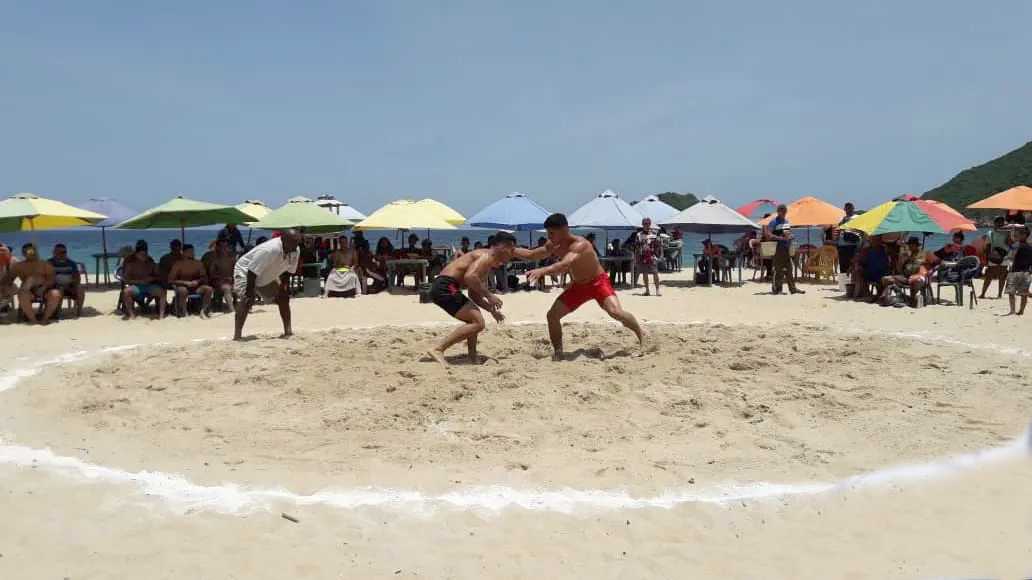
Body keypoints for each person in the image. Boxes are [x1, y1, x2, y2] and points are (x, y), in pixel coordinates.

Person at [516, 213, 648, 360]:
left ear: (564, 229)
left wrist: (542, 270)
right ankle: (558, 352)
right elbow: (532, 254)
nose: (549, 236)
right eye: (548, 232)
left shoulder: (580, 244)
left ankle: (642, 335)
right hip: (579, 286)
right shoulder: (553, 244)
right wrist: (510, 250)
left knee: (615, 312)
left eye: (552, 233)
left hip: (598, 282)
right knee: (552, 316)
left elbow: (564, 264)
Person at [425, 232, 516, 365]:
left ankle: (472, 357)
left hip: (445, 286)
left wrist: (492, 311)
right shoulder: (487, 256)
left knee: (474, 320)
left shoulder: (485, 262)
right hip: (445, 286)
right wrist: (490, 295)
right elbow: (470, 277)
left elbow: (474, 295)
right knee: (478, 322)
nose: (512, 253)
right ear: (502, 246)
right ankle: (438, 349)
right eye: (511, 249)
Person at [233, 231, 301, 340]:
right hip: (246, 271)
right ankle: (237, 336)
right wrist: (250, 291)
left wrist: (283, 287)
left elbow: (289, 271)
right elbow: (252, 271)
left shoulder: (295, 250)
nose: (295, 246)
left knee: (283, 297)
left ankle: (288, 332)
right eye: (292, 243)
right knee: (247, 299)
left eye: (297, 243)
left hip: (267, 272)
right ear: (283, 240)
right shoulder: (270, 249)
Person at [0, 243, 61, 324]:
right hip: (28, 290)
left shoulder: (44, 264)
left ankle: (45, 318)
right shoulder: (19, 266)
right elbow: (9, 279)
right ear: (23, 253)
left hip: (45, 289)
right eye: (28, 252)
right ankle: (33, 319)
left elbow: (52, 279)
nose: (31, 253)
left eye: (32, 251)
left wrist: (44, 287)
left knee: (55, 294)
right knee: (23, 293)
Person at [879, 237, 932, 307]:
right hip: (906, 277)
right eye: (909, 245)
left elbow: (933, 265)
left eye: (911, 245)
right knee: (885, 279)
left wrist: (925, 273)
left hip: (919, 277)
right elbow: (900, 270)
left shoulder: (925, 253)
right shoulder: (907, 254)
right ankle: (901, 295)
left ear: (916, 245)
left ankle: (912, 299)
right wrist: (902, 259)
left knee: (916, 281)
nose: (909, 246)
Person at [120, 240, 166, 319]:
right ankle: (132, 315)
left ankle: (161, 315)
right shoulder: (129, 262)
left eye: (145, 253)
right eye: (141, 254)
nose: (144, 256)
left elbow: (157, 275)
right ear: (136, 253)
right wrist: (139, 281)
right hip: (136, 286)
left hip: (149, 286)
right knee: (126, 292)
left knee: (162, 292)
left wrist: (152, 278)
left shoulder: (150, 260)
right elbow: (126, 280)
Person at [766, 204, 804, 295]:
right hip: (777, 248)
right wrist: (780, 238)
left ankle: (793, 289)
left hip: (786, 247)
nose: (783, 213)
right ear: (778, 211)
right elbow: (769, 235)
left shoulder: (786, 222)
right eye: (782, 211)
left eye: (785, 212)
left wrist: (790, 236)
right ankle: (777, 290)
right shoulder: (774, 222)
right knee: (778, 269)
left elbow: (787, 233)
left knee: (789, 269)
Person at [167, 244, 214, 317]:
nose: (192, 253)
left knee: (209, 289)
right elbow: (171, 280)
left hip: (196, 287)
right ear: (184, 253)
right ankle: (184, 311)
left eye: (193, 251)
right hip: (182, 286)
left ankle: (203, 310)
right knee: (183, 290)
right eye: (190, 252)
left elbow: (204, 277)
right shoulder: (178, 264)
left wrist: (197, 281)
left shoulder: (198, 263)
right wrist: (185, 283)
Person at [48, 243, 85, 318]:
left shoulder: (71, 264)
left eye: (64, 252)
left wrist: (73, 283)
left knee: (80, 289)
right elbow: (46, 278)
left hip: (69, 286)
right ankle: (58, 313)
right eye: (59, 252)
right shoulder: (49, 263)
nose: (62, 254)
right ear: (54, 252)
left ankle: (79, 312)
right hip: (55, 286)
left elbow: (77, 278)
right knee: (60, 289)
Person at [981, 216, 1013, 299]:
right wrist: (987, 260)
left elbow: (1010, 244)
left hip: (1005, 255)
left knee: (1002, 276)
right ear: (994, 223)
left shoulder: (1007, 232)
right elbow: (988, 246)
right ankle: (983, 293)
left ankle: (999, 294)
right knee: (989, 276)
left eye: (1001, 222)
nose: (1000, 224)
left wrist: (1009, 235)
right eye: (998, 222)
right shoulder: (990, 233)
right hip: (994, 255)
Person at [1004, 225, 1032, 316]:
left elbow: (1010, 257)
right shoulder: (1030, 247)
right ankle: (1021, 311)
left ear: (1024, 235)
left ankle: (1013, 310)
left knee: (1012, 292)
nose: (1018, 235)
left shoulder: (1016, 245)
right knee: (1023, 293)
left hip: (1015, 271)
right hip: (1026, 272)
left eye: (1020, 234)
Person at [633, 217, 662, 296]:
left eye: (648, 223)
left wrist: (658, 255)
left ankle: (657, 290)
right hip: (642, 256)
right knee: (645, 273)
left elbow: (658, 245)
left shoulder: (654, 233)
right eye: (645, 223)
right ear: (642, 224)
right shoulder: (639, 235)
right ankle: (647, 290)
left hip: (652, 256)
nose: (647, 225)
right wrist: (636, 258)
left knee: (655, 273)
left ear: (650, 224)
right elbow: (636, 247)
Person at [207, 236, 237, 310]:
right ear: (218, 248)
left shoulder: (232, 258)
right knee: (226, 288)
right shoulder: (215, 259)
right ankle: (231, 309)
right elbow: (211, 275)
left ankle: (243, 305)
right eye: (222, 246)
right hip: (218, 282)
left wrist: (233, 279)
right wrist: (224, 279)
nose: (225, 248)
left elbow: (236, 271)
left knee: (242, 286)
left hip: (230, 281)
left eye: (226, 246)